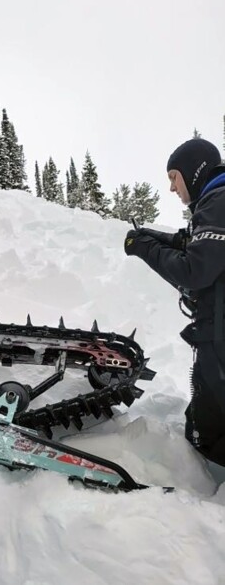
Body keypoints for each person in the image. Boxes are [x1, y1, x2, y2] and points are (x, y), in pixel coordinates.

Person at [124, 137, 225, 469]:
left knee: (204, 434)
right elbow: (194, 245)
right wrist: (154, 238)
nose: (171, 187)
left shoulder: (219, 201)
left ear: (194, 172)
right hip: (215, 336)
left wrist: (143, 248)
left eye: (173, 177)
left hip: (220, 342)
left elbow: (195, 270)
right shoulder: (215, 204)